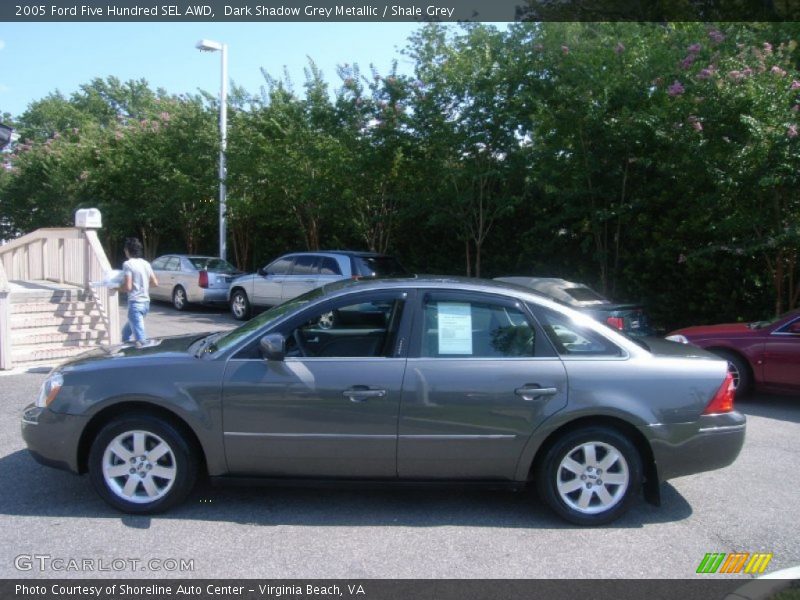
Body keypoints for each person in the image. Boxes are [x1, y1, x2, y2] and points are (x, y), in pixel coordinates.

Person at [119, 237, 158, 345]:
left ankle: (144, 358)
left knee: (141, 340)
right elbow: (155, 282)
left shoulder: (128, 264)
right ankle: (126, 353)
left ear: (127, 250)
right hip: (146, 303)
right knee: (125, 333)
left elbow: (128, 287)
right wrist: (143, 286)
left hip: (135, 303)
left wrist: (115, 287)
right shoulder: (146, 263)